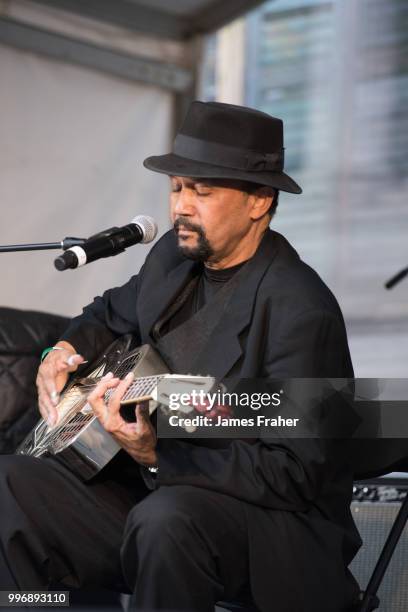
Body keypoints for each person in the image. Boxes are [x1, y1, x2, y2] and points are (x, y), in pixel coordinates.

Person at [0, 101, 361, 612]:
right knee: (11, 485)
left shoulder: (301, 310)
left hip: (265, 532)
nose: (180, 208)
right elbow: (106, 315)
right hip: (156, 501)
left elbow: (296, 473)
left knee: (167, 519)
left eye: (202, 191)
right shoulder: (172, 256)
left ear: (259, 201)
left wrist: (157, 455)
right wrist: (61, 350)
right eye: (176, 188)